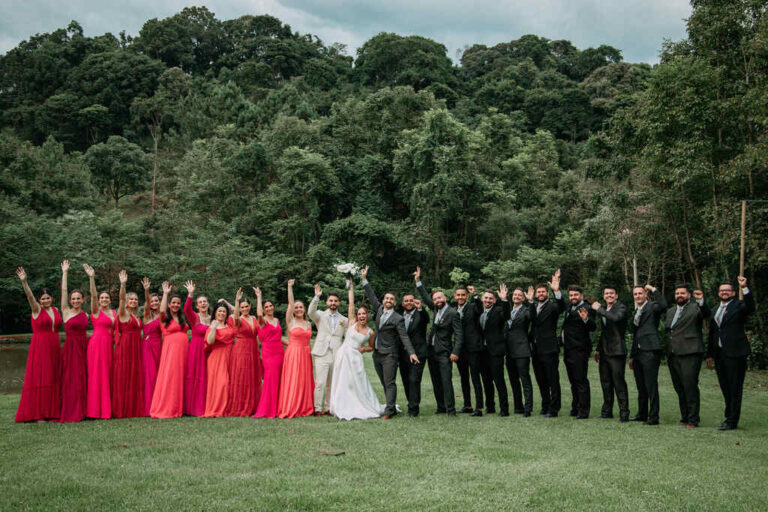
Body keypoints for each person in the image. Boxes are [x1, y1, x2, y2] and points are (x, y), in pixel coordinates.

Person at [362, 266, 419, 419]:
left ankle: (389, 412)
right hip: (377, 353)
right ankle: (391, 406)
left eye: (391, 299)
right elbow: (371, 295)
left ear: (395, 303)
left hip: (390, 355)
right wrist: (364, 279)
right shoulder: (379, 309)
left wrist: (412, 353)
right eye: (386, 298)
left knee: (390, 382)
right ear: (383, 301)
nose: (388, 300)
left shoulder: (398, 318)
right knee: (383, 382)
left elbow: (404, 337)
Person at [329, 281, 387, 420]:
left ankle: (361, 404)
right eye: (359, 314)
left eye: (364, 314)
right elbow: (351, 303)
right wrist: (352, 287)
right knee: (343, 382)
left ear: (367, 315)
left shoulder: (370, 332)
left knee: (357, 384)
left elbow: (372, 347)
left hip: (355, 358)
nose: (361, 316)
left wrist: (364, 349)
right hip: (343, 355)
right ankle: (341, 405)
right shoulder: (351, 322)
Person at [706, 276, 756, 430]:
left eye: (727, 290)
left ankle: (732, 420)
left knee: (735, 388)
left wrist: (744, 287)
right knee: (725, 387)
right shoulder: (714, 309)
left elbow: (750, 307)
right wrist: (709, 355)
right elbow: (712, 333)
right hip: (720, 355)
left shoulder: (739, 306)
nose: (724, 292)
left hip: (736, 354)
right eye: (722, 291)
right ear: (718, 293)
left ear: (733, 293)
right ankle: (729, 416)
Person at [14, 267, 62, 422]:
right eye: (43, 299)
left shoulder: (55, 310)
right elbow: (30, 297)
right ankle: (38, 414)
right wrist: (24, 282)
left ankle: (52, 411)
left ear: (51, 299)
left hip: (54, 346)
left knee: (53, 377)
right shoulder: (36, 309)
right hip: (40, 347)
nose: (45, 300)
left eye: (48, 298)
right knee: (41, 377)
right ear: (40, 300)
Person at [415, 274, 464, 417]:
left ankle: (451, 409)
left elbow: (459, 335)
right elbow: (425, 297)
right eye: (435, 299)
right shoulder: (436, 309)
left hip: (444, 352)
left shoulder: (452, 313)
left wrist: (455, 352)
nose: (437, 300)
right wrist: (418, 281)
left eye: (439, 298)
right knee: (436, 381)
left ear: (445, 298)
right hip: (431, 351)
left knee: (446, 381)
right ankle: (441, 406)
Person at [664, 284, 709, 428]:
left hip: (690, 352)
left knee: (690, 386)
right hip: (673, 354)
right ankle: (684, 416)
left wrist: (701, 301)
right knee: (679, 387)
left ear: (689, 295)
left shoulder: (696, 308)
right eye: (677, 293)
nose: (679, 295)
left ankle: (693, 419)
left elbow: (706, 313)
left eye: (682, 293)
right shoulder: (670, 311)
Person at [628, 284, 667, 425]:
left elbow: (663, 305)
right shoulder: (635, 312)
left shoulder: (652, 307)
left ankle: (654, 416)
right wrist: (632, 356)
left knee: (651, 385)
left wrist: (654, 289)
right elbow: (635, 333)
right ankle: (642, 414)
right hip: (638, 352)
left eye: (640, 293)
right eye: (635, 294)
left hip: (650, 350)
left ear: (645, 295)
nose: (638, 296)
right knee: (641, 385)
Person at [150, 282, 189, 419]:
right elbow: (161, 310)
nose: (176, 305)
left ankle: (180, 406)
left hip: (183, 351)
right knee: (171, 377)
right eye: (173, 303)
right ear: (169, 304)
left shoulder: (183, 318)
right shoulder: (165, 317)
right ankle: (168, 406)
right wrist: (165, 294)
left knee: (181, 376)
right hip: (171, 351)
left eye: (178, 303)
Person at [591, 286, 630, 422]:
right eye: (606, 293)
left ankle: (624, 413)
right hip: (604, 351)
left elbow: (615, 318)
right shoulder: (605, 309)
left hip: (617, 351)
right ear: (603, 296)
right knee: (606, 383)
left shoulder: (621, 308)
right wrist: (598, 348)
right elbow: (604, 331)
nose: (609, 295)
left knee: (618, 383)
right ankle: (607, 411)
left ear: (616, 295)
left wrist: (599, 309)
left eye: (611, 293)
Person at [277, 279, 314, 418]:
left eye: (301, 307)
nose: (298, 309)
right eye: (296, 307)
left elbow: (308, 340)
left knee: (303, 380)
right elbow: (290, 303)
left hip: (305, 354)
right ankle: (291, 405)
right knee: (293, 379)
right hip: (293, 353)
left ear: (304, 309)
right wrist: (289, 287)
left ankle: (304, 406)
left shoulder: (308, 324)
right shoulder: (291, 321)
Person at [308, 284, 347, 416]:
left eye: (335, 301)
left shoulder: (344, 320)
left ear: (338, 303)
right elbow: (310, 312)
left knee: (332, 383)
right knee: (320, 382)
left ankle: (328, 408)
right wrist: (316, 297)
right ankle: (317, 408)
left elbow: (347, 336)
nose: (333, 303)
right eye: (331, 300)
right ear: (327, 302)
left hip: (336, 353)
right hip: (321, 352)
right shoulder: (320, 315)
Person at [111, 270, 145, 418]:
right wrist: (123, 285)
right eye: (131, 299)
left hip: (136, 347)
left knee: (134, 375)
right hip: (125, 347)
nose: (133, 301)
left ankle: (133, 408)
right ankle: (122, 408)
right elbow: (121, 300)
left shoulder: (137, 316)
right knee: (124, 375)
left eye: (135, 299)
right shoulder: (123, 313)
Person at [531, 269, 564, 417]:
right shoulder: (532, 307)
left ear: (548, 293)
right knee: (541, 380)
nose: (541, 294)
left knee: (552, 379)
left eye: (543, 292)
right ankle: (545, 405)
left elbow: (562, 307)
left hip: (549, 349)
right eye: (539, 292)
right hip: (536, 349)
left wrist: (557, 291)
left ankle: (554, 408)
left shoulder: (552, 306)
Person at [472, 285, 510, 416]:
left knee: (498, 380)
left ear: (494, 300)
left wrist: (504, 300)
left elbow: (506, 316)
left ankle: (504, 409)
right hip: (483, 352)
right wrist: (475, 295)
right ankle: (490, 406)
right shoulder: (479, 311)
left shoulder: (499, 310)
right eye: (486, 298)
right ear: (482, 299)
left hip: (496, 351)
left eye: (490, 298)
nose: (487, 300)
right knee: (486, 380)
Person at [84, 263, 115, 419]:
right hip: (97, 344)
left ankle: (107, 407)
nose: (103, 299)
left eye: (106, 298)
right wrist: (91, 278)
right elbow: (93, 295)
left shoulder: (114, 313)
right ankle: (95, 410)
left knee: (108, 374)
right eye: (101, 298)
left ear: (110, 300)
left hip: (110, 344)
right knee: (97, 375)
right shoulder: (95, 311)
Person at [59, 260, 88, 423]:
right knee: (72, 378)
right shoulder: (66, 312)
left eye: (79, 298)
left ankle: (83, 409)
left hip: (84, 347)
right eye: (74, 298)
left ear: (83, 300)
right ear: (70, 300)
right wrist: (65, 273)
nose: (76, 301)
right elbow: (63, 291)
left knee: (83, 377)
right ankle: (72, 410)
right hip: (71, 349)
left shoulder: (86, 314)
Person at [561, 284, 596, 419]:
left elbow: (593, 326)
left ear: (581, 295)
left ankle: (583, 411)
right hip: (568, 350)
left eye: (575, 295)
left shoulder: (587, 308)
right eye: (571, 295)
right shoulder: (570, 307)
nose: (573, 297)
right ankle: (575, 407)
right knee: (573, 381)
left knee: (581, 381)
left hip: (580, 350)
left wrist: (586, 319)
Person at [226, 289, 262, 416]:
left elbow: (260, 314)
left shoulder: (254, 318)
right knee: (242, 376)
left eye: (246, 306)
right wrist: (236, 300)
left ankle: (253, 405)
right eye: (242, 307)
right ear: (239, 308)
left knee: (252, 376)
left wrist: (259, 297)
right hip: (241, 349)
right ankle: (240, 405)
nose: (245, 308)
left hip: (253, 349)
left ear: (250, 307)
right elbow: (235, 317)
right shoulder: (239, 319)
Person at [253, 288, 286, 418]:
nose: (269, 308)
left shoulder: (277, 320)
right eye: (266, 307)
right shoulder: (262, 321)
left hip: (279, 351)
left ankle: (279, 406)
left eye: (270, 305)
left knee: (279, 378)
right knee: (270, 379)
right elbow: (259, 314)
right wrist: (259, 297)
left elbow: (279, 337)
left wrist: (293, 345)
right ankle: (268, 409)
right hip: (268, 353)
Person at [504, 287, 536, 417]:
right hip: (509, 350)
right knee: (513, 380)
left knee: (525, 380)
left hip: (522, 350)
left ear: (523, 298)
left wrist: (531, 301)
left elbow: (533, 317)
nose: (516, 296)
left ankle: (528, 408)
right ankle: (518, 406)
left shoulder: (527, 311)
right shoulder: (508, 311)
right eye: (515, 295)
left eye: (519, 295)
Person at [398, 290, 429, 417]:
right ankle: (411, 403)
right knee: (406, 381)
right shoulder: (399, 316)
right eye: (406, 301)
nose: (409, 303)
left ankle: (414, 409)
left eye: (411, 300)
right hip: (403, 355)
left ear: (415, 302)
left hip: (419, 353)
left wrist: (421, 308)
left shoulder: (420, 315)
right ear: (402, 303)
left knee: (414, 380)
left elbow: (426, 319)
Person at [203, 302, 235, 417]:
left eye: (224, 311)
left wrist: (227, 302)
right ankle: (217, 408)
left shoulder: (230, 324)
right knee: (221, 383)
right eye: (219, 311)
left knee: (231, 382)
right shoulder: (212, 326)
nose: (221, 313)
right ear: (215, 313)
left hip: (230, 355)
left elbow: (236, 311)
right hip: (217, 357)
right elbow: (210, 341)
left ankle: (228, 407)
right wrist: (214, 327)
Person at [183, 281, 209, 417]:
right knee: (194, 376)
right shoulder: (195, 318)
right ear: (197, 305)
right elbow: (186, 309)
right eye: (200, 302)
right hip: (196, 348)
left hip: (209, 350)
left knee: (206, 377)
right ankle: (192, 407)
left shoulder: (213, 318)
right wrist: (190, 294)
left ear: (208, 304)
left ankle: (205, 406)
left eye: (205, 301)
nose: (203, 303)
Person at [141, 277, 162, 416]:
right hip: (147, 347)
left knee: (159, 375)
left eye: (156, 301)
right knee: (149, 375)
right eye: (152, 301)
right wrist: (147, 290)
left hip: (159, 345)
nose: (154, 303)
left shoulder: (163, 316)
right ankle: (149, 405)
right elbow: (148, 305)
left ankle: (159, 403)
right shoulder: (147, 316)